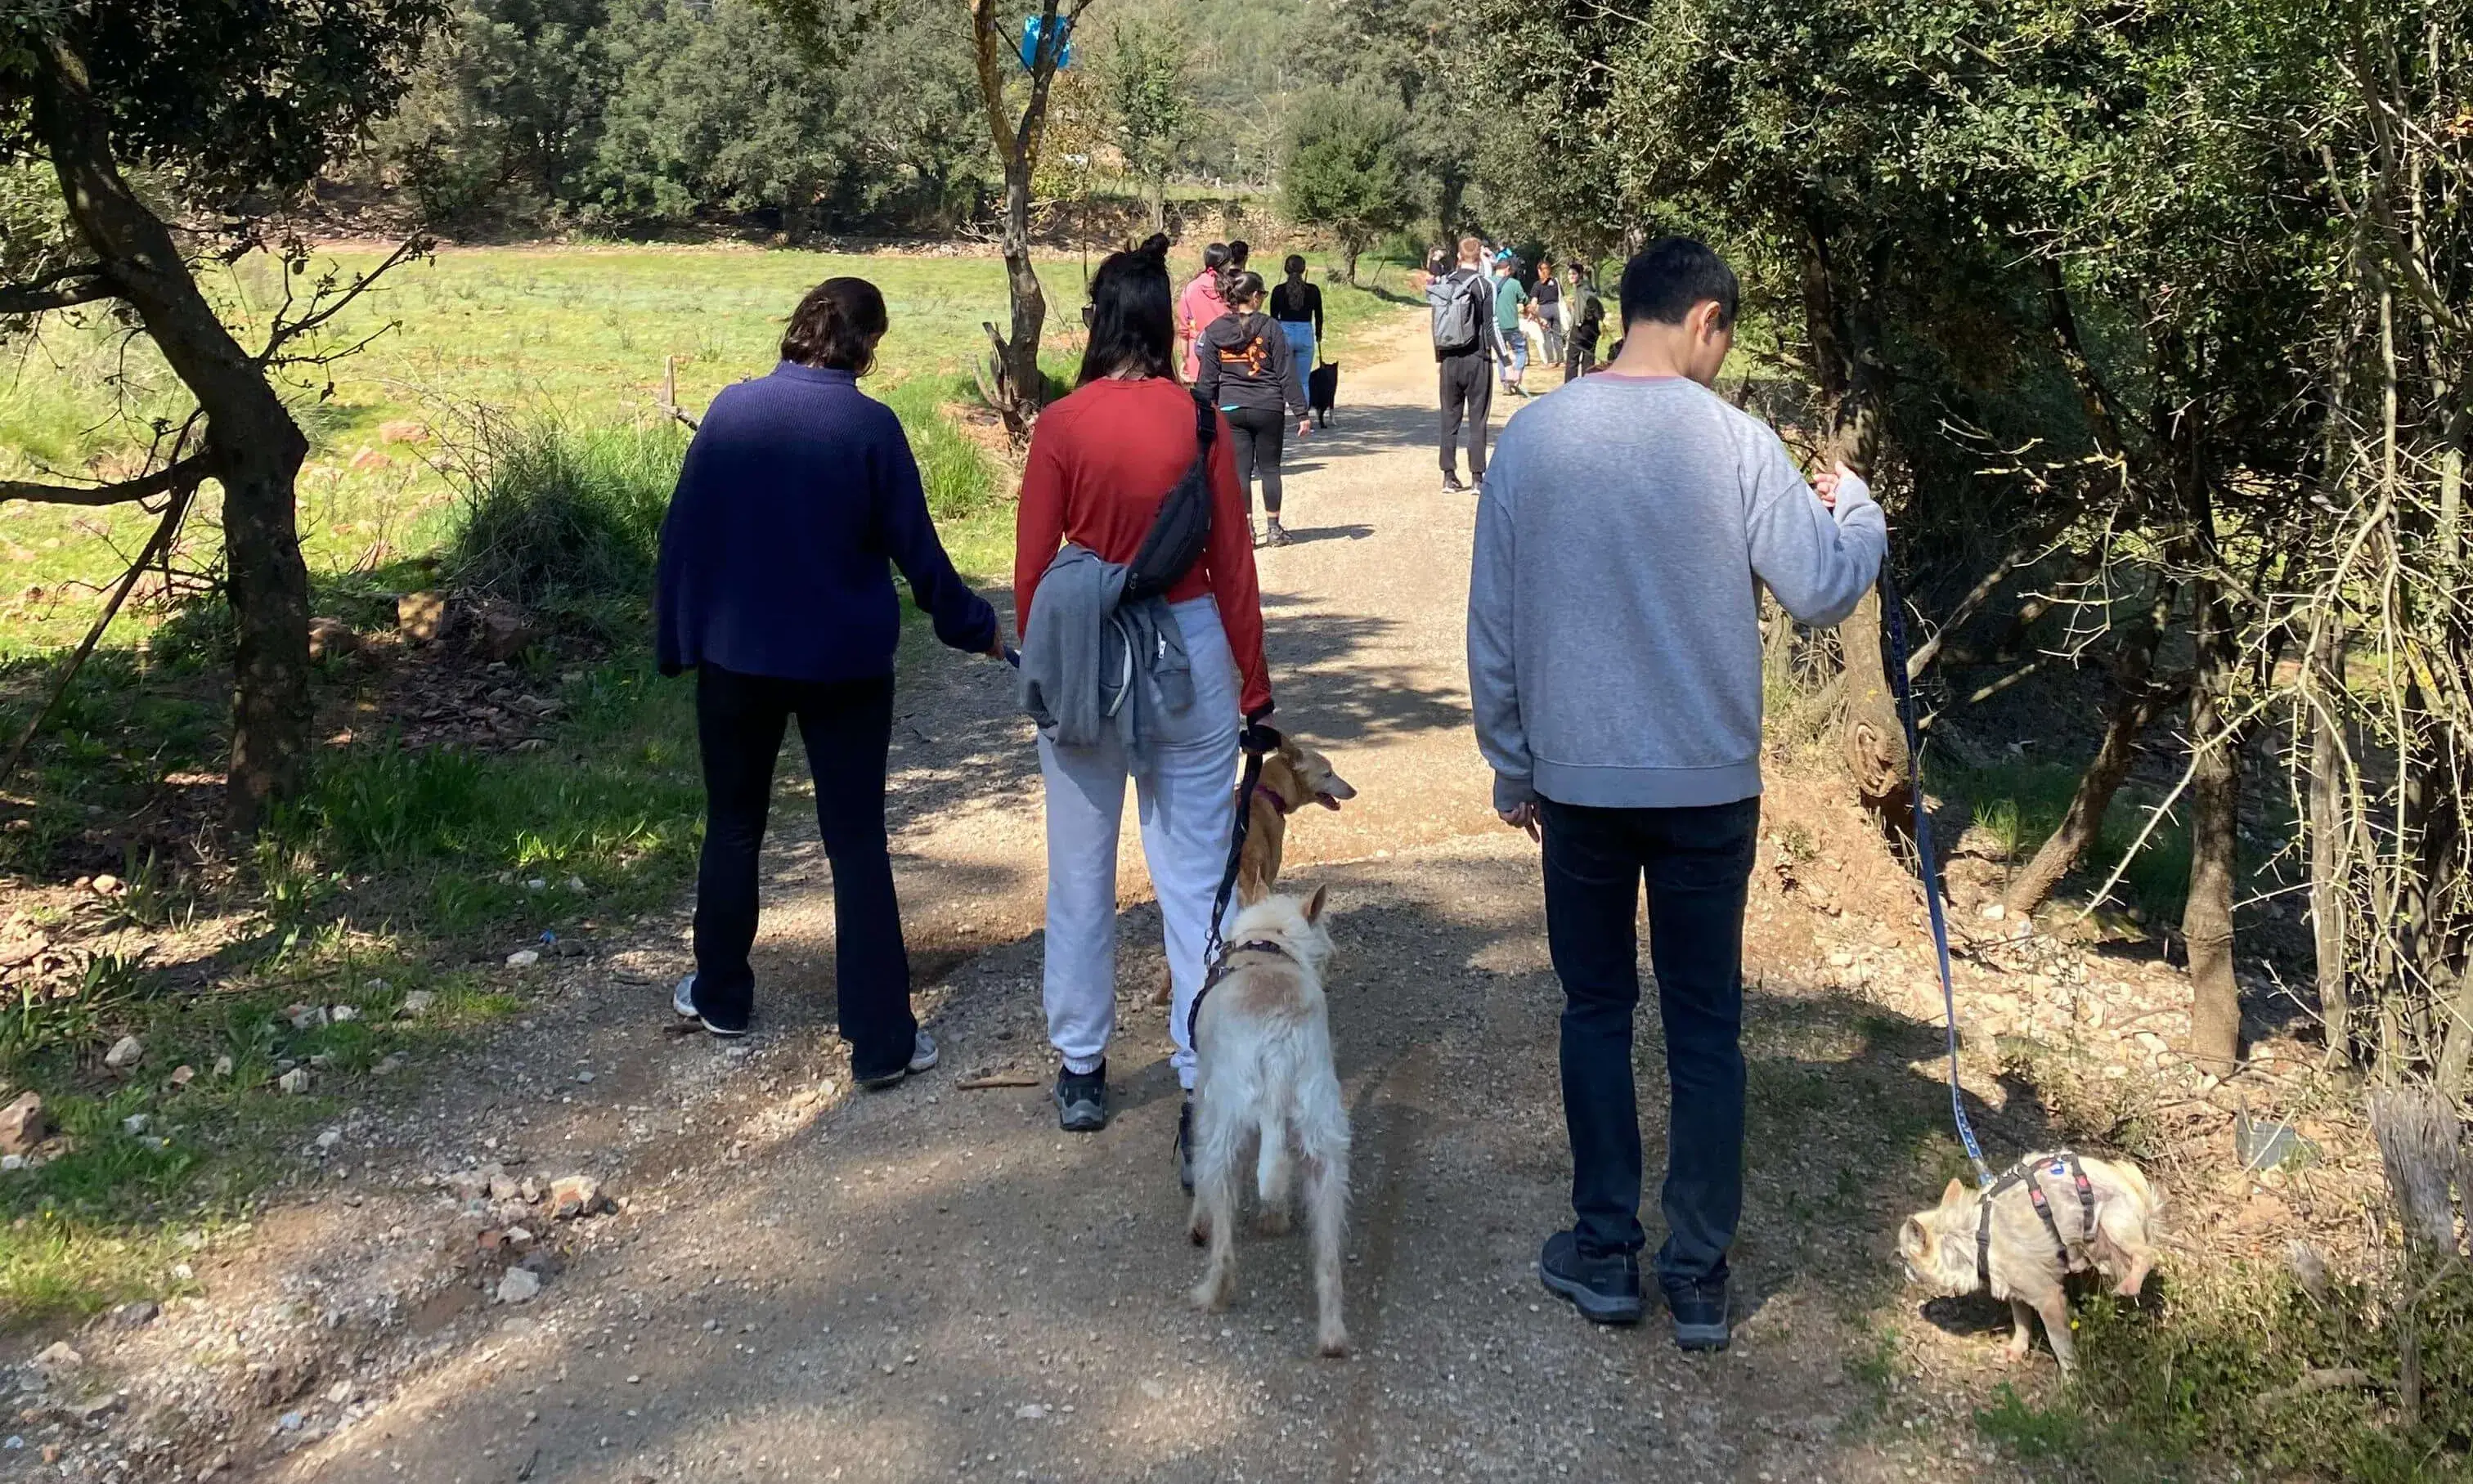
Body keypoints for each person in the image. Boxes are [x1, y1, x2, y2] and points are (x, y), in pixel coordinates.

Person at [1465, 237, 1885, 1351]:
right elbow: (1823, 587)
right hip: (1708, 787)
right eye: (1725, 338)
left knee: (1595, 1010)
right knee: (1706, 1027)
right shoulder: (1738, 441)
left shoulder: (1536, 438)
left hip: (1579, 784)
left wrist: (1512, 761)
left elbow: (1493, 622)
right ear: (1705, 320)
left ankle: (1606, 1253)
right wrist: (1861, 516)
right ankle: (1698, 1277)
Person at [656, 278, 1001, 1086]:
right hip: (846, 667)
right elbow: (919, 553)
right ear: (867, 343)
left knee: (733, 826)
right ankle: (881, 1041)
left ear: (800, 325)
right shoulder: (870, 427)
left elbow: (684, 534)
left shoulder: (731, 410)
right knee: (856, 844)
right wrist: (974, 627)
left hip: (737, 658)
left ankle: (721, 995)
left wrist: (677, 638)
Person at [1015, 237, 1276, 1155]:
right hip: (1188, 649)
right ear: (1168, 324)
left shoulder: (1061, 425)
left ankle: (1083, 1066)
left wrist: (1040, 665)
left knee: (1080, 868)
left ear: (1097, 322)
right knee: (1197, 874)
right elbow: (1233, 565)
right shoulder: (1200, 422)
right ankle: (1207, 1075)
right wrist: (1255, 691)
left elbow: (1033, 570)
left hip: (1089, 647)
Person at [1197, 269, 1313, 547]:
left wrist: (1201, 415)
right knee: (1270, 468)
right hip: (1268, 406)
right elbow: (1286, 373)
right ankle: (1274, 530)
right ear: (1253, 296)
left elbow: (1207, 380)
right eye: (1262, 293)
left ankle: (1247, 530)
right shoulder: (1271, 327)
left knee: (1241, 471)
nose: (1262, 298)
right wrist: (1301, 412)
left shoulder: (1214, 330)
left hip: (1231, 408)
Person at [1419, 236, 1498, 494]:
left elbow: (1437, 324)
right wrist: (1506, 361)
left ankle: (1448, 476)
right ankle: (1477, 477)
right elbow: (1491, 326)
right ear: (1480, 257)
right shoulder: (1485, 286)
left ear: (1458, 257)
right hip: (1478, 359)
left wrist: (1440, 358)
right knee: (1478, 419)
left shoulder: (1445, 282)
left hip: (1449, 360)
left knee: (1449, 417)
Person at [1178, 242, 1233, 380]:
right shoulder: (1230, 288)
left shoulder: (1190, 288)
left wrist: (1185, 359)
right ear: (1225, 263)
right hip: (1227, 354)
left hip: (1197, 355)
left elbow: (1184, 329)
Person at [1269, 254, 1325, 388]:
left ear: (1286, 269)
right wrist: (1318, 334)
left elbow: (1274, 317)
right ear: (1303, 269)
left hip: (1284, 332)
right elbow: (1319, 315)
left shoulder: (1278, 290)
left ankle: (1283, 402)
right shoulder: (1313, 290)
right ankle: (1302, 403)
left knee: (1282, 380)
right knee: (1304, 381)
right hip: (1305, 332)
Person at [1491, 250, 1531, 396]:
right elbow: (1525, 301)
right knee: (1521, 350)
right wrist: (1530, 312)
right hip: (1512, 326)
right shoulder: (1514, 284)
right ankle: (1517, 375)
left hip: (1494, 327)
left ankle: (1506, 384)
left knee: (1502, 354)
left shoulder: (1488, 282)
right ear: (1507, 269)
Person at [1564, 261, 1605, 379]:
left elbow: (1587, 303)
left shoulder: (1582, 289)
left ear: (1580, 274)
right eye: (1569, 274)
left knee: (1572, 359)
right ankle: (1587, 384)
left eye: (1574, 274)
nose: (1571, 276)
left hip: (1581, 328)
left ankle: (1570, 386)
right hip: (1593, 329)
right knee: (1589, 358)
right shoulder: (1588, 286)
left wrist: (1581, 319)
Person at [1533, 258, 1566, 367]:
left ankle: (1551, 361)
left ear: (1539, 271)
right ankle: (1561, 361)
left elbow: (1534, 302)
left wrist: (1532, 313)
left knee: (1547, 337)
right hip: (1555, 308)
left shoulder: (1537, 285)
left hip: (1543, 310)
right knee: (1557, 335)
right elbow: (1562, 296)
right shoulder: (1556, 282)